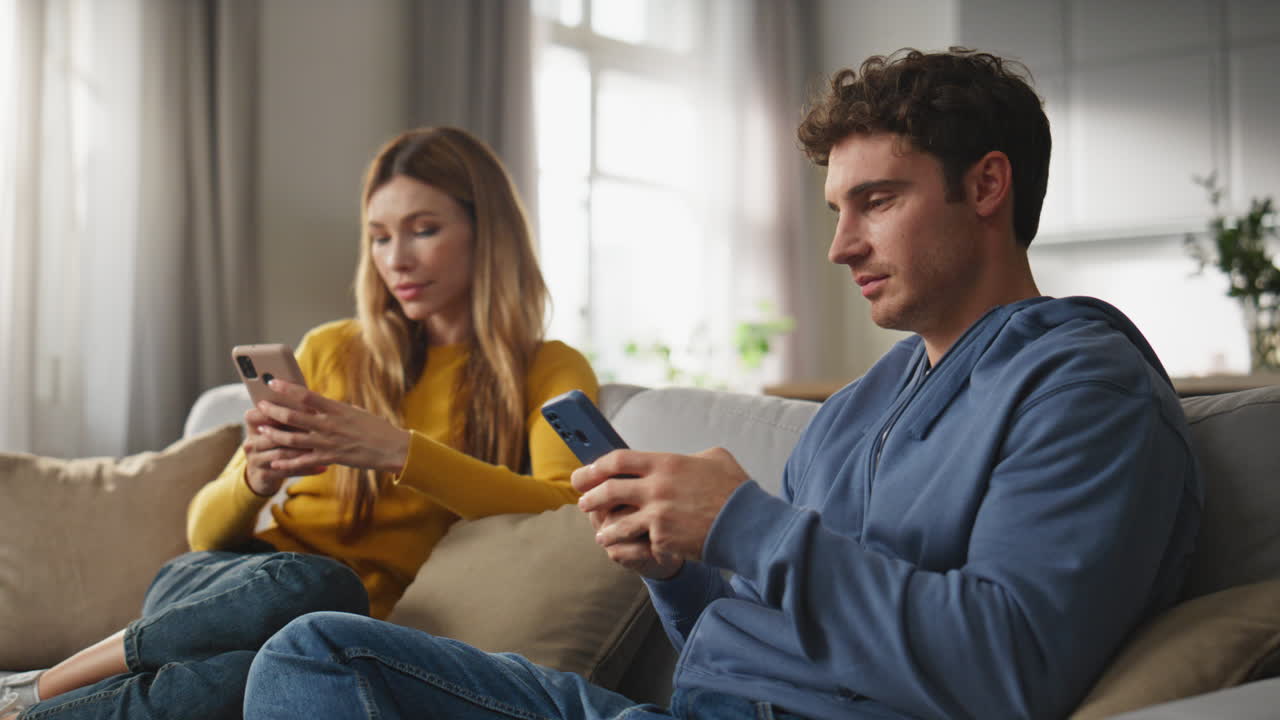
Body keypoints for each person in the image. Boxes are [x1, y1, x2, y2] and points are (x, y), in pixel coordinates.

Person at [239, 49, 1203, 720]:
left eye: (878, 200)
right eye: (836, 207)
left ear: (988, 187)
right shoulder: (859, 408)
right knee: (317, 650)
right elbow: (754, 633)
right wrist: (677, 568)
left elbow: (1009, 667)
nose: (840, 245)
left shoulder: (1081, 386)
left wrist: (744, 521)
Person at [0, 126, 598, 720]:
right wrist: (253, 480)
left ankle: (26, 710)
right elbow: (203, 534)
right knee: (321, 587)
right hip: (221, 584)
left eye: (424, 230)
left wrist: (397, 451)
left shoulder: (546, 368)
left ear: (487, 232)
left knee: (261, 673)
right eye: (380, 238)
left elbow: (561, 506)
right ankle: (44, 684)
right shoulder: (334, 348)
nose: (397, 260)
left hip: (323, 630)